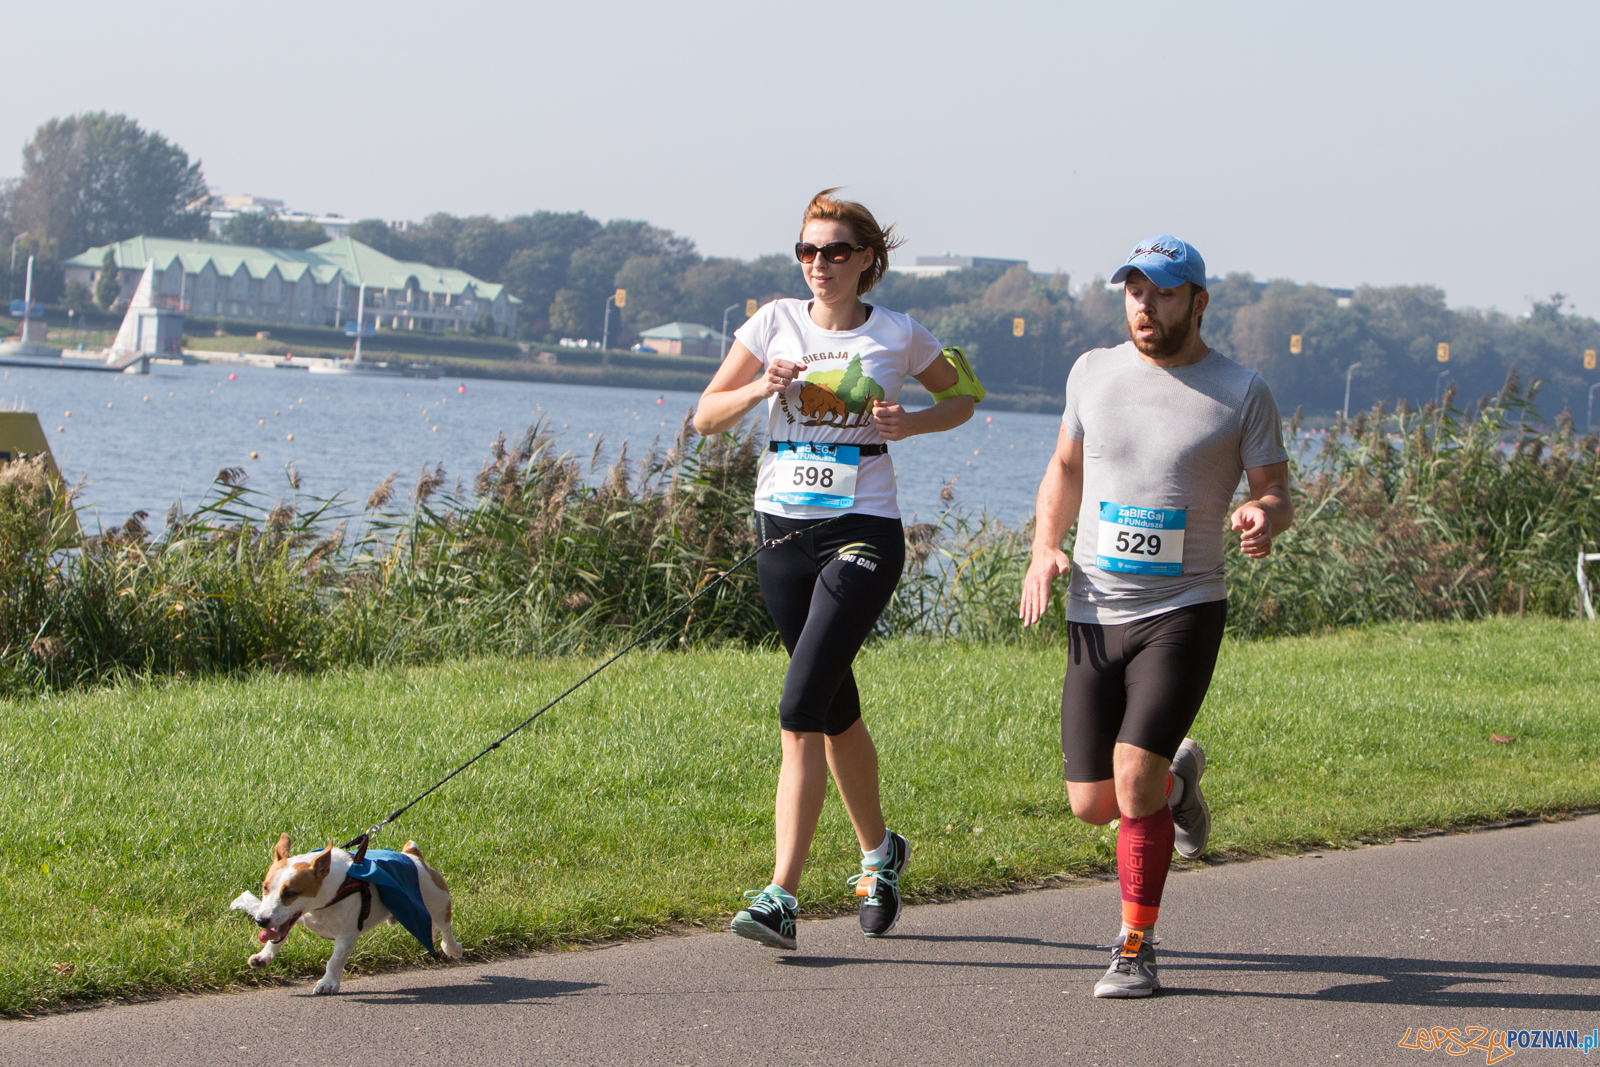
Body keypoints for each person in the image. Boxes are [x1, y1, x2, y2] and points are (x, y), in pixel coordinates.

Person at [693, 189, 979, 949]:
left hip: (863, 530)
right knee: (835, 705)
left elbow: (966, 398)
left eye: (837, 251)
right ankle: (882, 854)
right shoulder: (771, 322)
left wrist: (908, 421)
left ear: (867, 261)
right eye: (808, 251)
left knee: (800, 705)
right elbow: (705, 414)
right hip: (780, 529)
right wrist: (763, 385)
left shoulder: (899, 334)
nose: (820, 264)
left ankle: (780, 895)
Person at [1018, 235, 1292, 997]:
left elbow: (1277, 492)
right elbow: (1066, 467)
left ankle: (1135, 946)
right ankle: (1181, 789)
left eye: (1164, 292)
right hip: (1094, 609)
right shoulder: (1091, 372)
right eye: (1135, 290)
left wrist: (1261, 516)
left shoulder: (1241, 390)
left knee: (1129, 780)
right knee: (1092, 802)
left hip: (1184, 607)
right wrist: (1045, 545)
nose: (1146, 304)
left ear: (1198, 302)